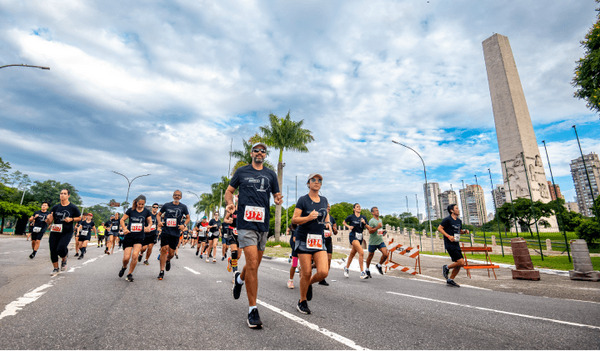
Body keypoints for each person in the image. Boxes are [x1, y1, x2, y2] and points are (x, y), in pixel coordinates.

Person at [226, 142, 282, 329]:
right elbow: (229, 191)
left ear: (265, 155)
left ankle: (239, 279)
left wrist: (277, 198)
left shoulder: (271, 174)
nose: (259, 153)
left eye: (263, 151)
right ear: (251, 153)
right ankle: (252, 310)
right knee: (251, 264)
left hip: (263, 225)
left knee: (254, 265)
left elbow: (276, 194)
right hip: (245, 224)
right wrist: (229, 203)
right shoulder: (242, 172)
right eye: (256, 150)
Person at [291, 173, 331, 314]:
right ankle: (302, 301)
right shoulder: (303, 200)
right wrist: (307, 218)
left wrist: (328, 225)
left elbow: (326, 217)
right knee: (306, 272)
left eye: (320, 180)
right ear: (308, 183)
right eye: (313, 180)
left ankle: (307, 285)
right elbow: (294, 219)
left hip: (319, 240)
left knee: (323, 272)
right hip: (304, 239)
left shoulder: (324, 200)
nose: (317, 182)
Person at [45, 189, 81, 276]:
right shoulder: (55, 207)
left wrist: (71, 219)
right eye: (61, 193)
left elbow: (79, 218)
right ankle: (55, 268)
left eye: (64, 194)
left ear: (68, 196)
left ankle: (64, 258)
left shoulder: (73, 207)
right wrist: (48, 219)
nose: (62, 195)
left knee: (61, 248)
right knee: (53, 249)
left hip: (66, 231)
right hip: (55, 231)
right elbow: (49, 221)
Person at [157, 190, 190, 280]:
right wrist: (159, 222)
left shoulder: (183, 207)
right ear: (172, 196)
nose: (177, 196)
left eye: (178, 195)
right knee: (164, 249)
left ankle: (168, 260)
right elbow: (158, 214)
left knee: (171, 253)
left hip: (175, 233)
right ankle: (161, 271)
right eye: (175, 195)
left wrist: (184, 225)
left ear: (181, 197)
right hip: (166, 231)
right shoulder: (166, 205)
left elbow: (188, 218)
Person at [119, 195, 152, 282]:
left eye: (142, 204)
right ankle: (124, 267)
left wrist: (148, 227)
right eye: (139, 204)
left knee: (135, 256)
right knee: (126, 258)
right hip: (129, 236)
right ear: (136, 202)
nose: (140, 206)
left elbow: (150, 222)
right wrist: (125, 228)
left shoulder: (146, 212)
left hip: (139, 237)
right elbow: (122, 220)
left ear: (144, 204)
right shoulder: (131, 210)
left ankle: (129, 274)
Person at [439, 204, 468, 287]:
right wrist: (448, 236)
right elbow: (440, 228)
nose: (458, 210)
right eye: (456, 208)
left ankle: (450, 279)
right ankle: (446, 267)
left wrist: (465, 231)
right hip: (449, 244)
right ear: (452, 210)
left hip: (456, 243)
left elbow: (459, 231)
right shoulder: (447, 220)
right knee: (461, 262)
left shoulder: (459, 221)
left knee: (459, 263)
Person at [343, 203, 369, 279]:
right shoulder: (351, 217)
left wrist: (364, 223)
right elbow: (344, 222)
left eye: (360, 207)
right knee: (361, 252)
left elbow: (367, 226)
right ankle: (362, 272)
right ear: (354, 209)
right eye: (357, 207)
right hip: (353, 236)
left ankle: (346, 267)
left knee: (352, 253)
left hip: (360, 236)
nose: (359, 208)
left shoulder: (363, 217)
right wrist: (348, 226)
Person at [365, 206, 389, 277]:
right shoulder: (371, 221)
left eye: (378, 210)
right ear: (372, 213)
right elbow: (370, 231)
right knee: (370, 256)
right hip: (373, 242)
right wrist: (377, 227)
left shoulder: (380, 220)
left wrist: (383, 232)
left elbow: (379, 231)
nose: (377, 212)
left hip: (380, 241)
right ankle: (367, 269)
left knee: (385, 254)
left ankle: (379, 265)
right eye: (375, 211)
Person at [319, 205, 338, 285]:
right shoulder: (320, 217)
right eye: (327, 206)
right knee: (318, 261)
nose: (329, 207)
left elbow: (335, 232)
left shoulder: (332, 218)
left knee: (329, 260)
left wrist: (334, 229)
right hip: (320, 240)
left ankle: (322, 278)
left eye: (329, 206)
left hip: (328, 241)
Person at [223, 203, 241, 273]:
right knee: (234, 252)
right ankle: (235, 272)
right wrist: (228, 221)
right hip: (231, 231)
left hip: (240, 232)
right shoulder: (232, 209)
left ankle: (231, 261)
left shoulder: (244, 210)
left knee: (238, 256)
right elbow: (225, 219)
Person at [286, 223, 298, 288]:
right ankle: (290, 280)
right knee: (294, 264)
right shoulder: (295, 226)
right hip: (296, 247)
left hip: (304, 249)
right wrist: (287, 232)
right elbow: (294, 239)